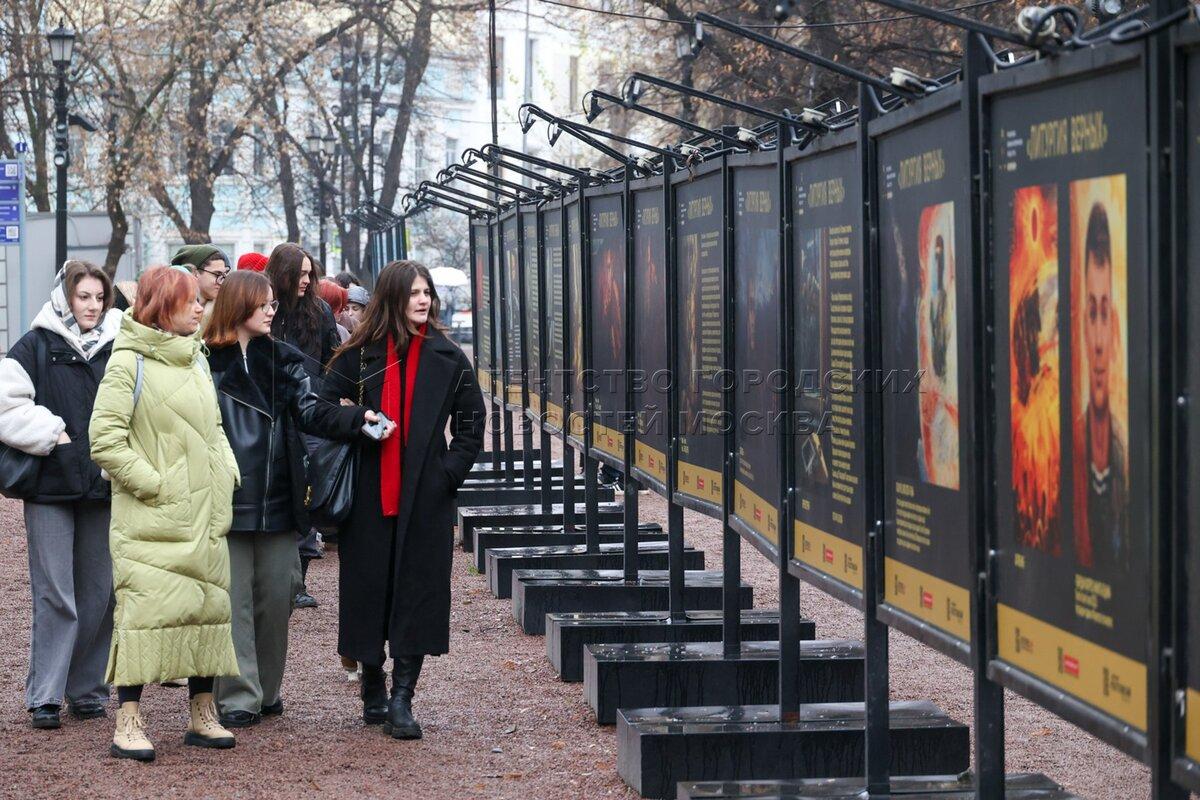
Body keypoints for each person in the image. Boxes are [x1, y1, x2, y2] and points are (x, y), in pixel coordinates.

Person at [204, 271, 379, 727]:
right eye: (263, 304)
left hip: (279, 494)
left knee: (277, 597)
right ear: (239, 305)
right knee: (233, 602)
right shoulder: (204, 362)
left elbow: (311, 411)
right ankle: (239, 696)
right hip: (226, 496)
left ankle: (266, 690)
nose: (271, 311)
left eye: (272, 304)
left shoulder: (283, 359)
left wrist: (356, 419)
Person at [320, 260, 485, 740]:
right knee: (368, 591)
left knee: (417, 593)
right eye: (413, 292)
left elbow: (471, 424)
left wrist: (446, 475)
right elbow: (320, 409)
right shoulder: (359, 355)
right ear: (393, 296)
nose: (423, 300)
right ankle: (372, 682)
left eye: (426, 291)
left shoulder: (448, 356)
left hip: (425, 499)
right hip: (368, 495)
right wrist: (359, 420)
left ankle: (402, 697)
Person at [89, 266, 241, 762]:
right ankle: (128, 720)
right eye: (190, 300)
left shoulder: (196, 359)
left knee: (206, 607)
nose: (200, 307)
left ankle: (202, 712)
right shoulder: (127, 362)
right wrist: (155, 485)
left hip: (205, 512)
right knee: (143, 613)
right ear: (161, 306)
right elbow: (104, 440)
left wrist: (227, 473)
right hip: (151, 520)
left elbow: (214, 428)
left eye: (200, 299)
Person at [0, 261, 122, 729]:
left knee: (99, 592)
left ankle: (87, 689)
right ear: (65, 297)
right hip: (50, 485)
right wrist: (54, 434)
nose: (92, 306)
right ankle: (46, 694)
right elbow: (7, 405)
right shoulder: (35, 344)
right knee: (55, 592)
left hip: (103, 483)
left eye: (99, 297)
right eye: (83, 296)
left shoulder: (119, 344)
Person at [264, 243, 341, 608]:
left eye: (310, 274)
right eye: (300, 274)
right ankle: (279, 578)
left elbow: (332, 360)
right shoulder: (266, 309)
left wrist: (321, 396)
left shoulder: (319, 311)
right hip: (273, 412)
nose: (307, 280)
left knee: (307, 490)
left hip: (310, 412)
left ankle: (298, 582)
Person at [1073, 202, 1128, 572]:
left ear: (1115, 329)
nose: (1097, 341)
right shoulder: (1070, 448)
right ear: (1081, 327)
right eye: (1091, 312)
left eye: (1104, 313)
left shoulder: (1126, 459)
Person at [170, 244, 230, 329]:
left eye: (224, 276)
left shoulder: (225, 308)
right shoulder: (173, 309)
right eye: (217, 274)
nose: (222, 282)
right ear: (195, 273)